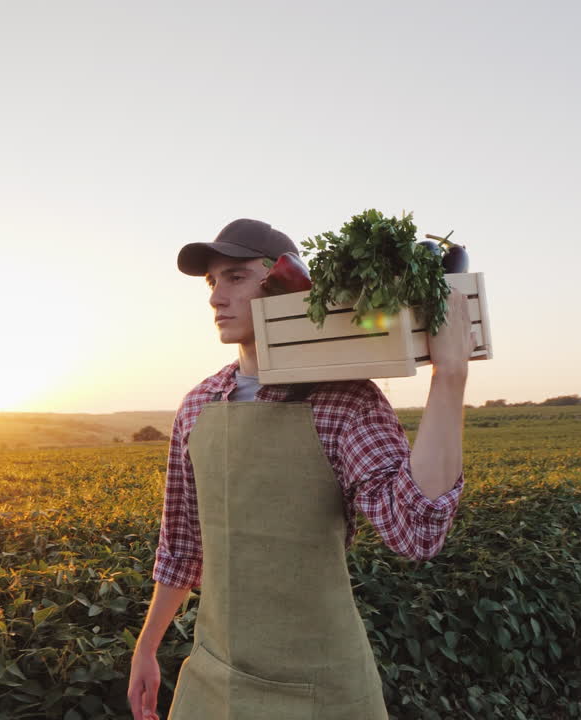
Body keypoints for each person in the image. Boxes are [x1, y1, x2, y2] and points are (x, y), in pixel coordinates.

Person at [126, 218, 475, 720]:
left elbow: (415, 532)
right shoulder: (198, 405)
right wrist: (146, 648)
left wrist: (450, 374)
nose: (216, 297)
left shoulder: (344, 401)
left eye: (236, 277)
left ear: (286, 284)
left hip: (322, 686)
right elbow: (181, 547)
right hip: (213, 675)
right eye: (212, 282)